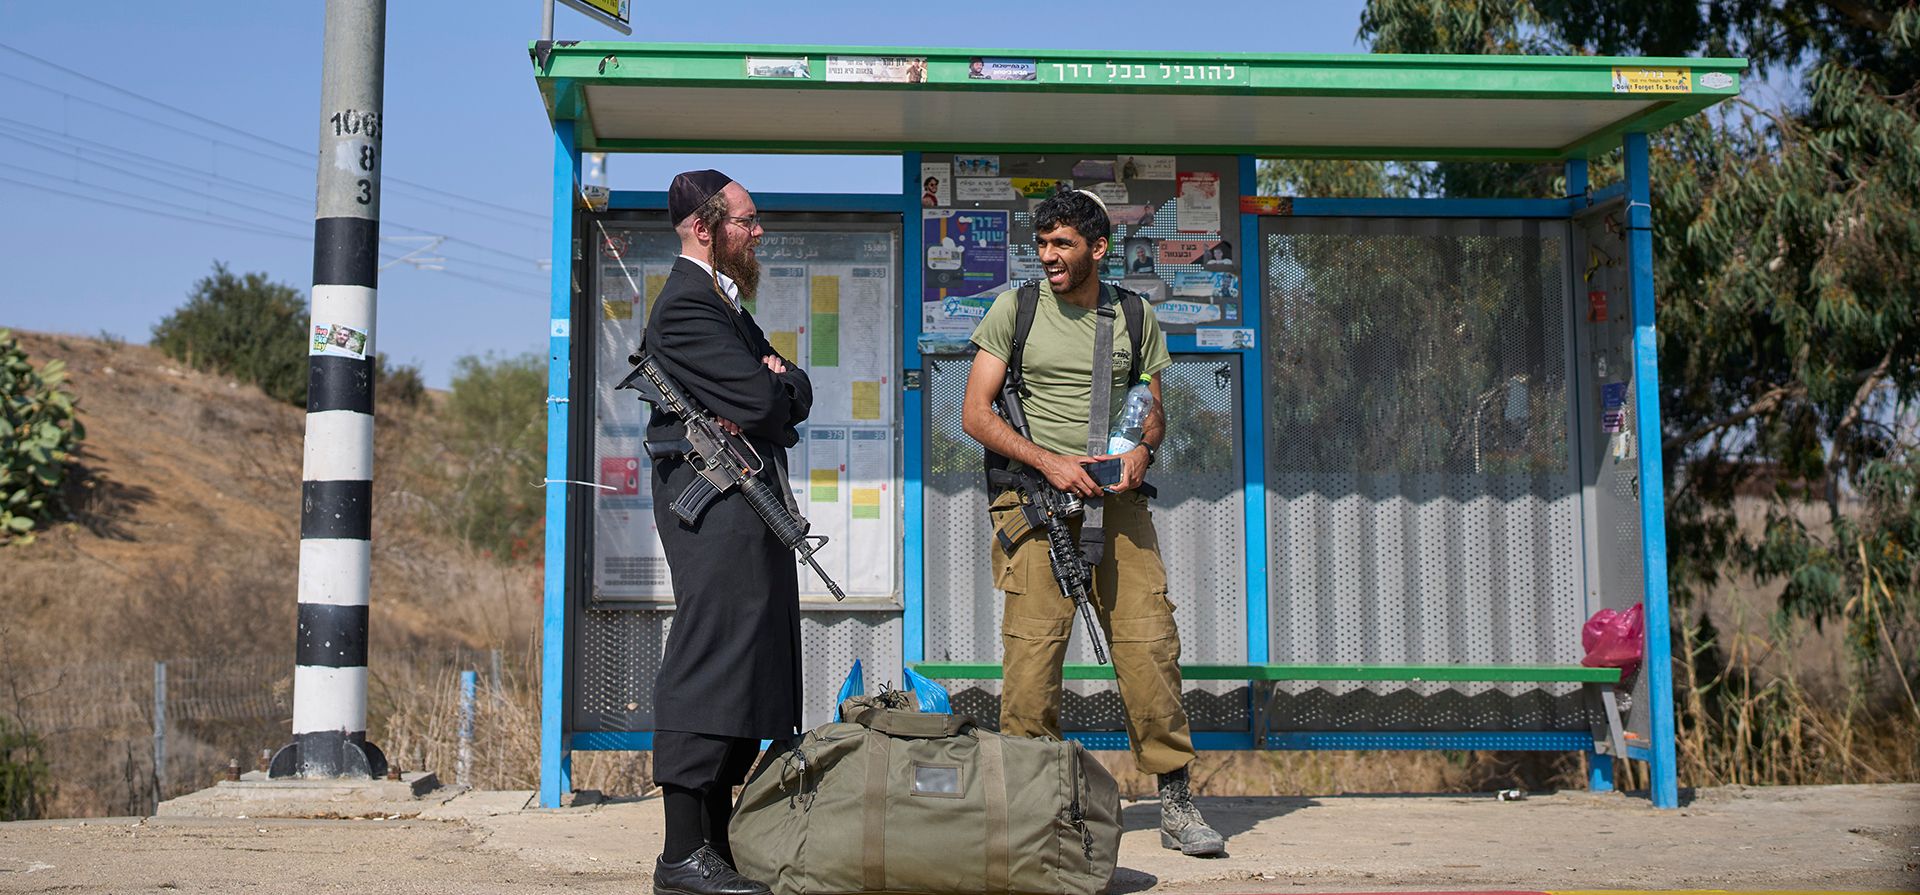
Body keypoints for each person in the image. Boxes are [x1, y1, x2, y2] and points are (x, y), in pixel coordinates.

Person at [959, 189, 1227, 857]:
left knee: (1149, 647)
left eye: (1062, 244)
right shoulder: (1014, 310)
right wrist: (1049, 463)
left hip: (1118, 505)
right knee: (1031, 661)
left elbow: (1151, 408)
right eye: (1042, 243)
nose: (1048, 255)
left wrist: (1140, 447)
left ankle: (1175, 800)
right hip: (1035, 505)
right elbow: (976, 414)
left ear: (1097, 249)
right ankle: (1029, 813)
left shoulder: (1134, 315)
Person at [641, 169, 813, 895]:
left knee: (753, 658)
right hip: (713, 505)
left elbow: (795, 390)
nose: (758, 231)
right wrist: (773, 384)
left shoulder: (726, 306)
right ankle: (682, 852)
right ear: (702, 228)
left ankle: (713, 845)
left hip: (750, 502)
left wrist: (779, 383)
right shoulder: (685, 306)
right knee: (712, 655)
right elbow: (763, 398)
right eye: (746, 220)